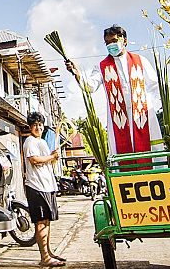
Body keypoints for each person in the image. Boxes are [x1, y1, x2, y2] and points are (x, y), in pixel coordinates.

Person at [66, 25, 164, 169]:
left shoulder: (140, 61)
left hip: (143, 115)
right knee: (121, 153)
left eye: (113, 40)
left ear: (125, 40)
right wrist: (77, 73)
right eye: (107, 43)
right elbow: (90, 86)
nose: (110, 45)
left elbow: (156, 85)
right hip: (119, 119)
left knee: (152, 151)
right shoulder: (102, 66)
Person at [22, 112, 64, 267]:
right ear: (30, 127)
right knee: (41, 222)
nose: (38, 127)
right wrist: (51, 157)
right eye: (35, 125)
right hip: (36, 186)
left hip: (47, 186)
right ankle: (44, 257)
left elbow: (46, 163)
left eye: (40, 125)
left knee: (47, 221)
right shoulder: (30, 141)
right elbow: (34, 161)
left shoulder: (42, 142)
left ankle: (49, 252)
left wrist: (54, 157)